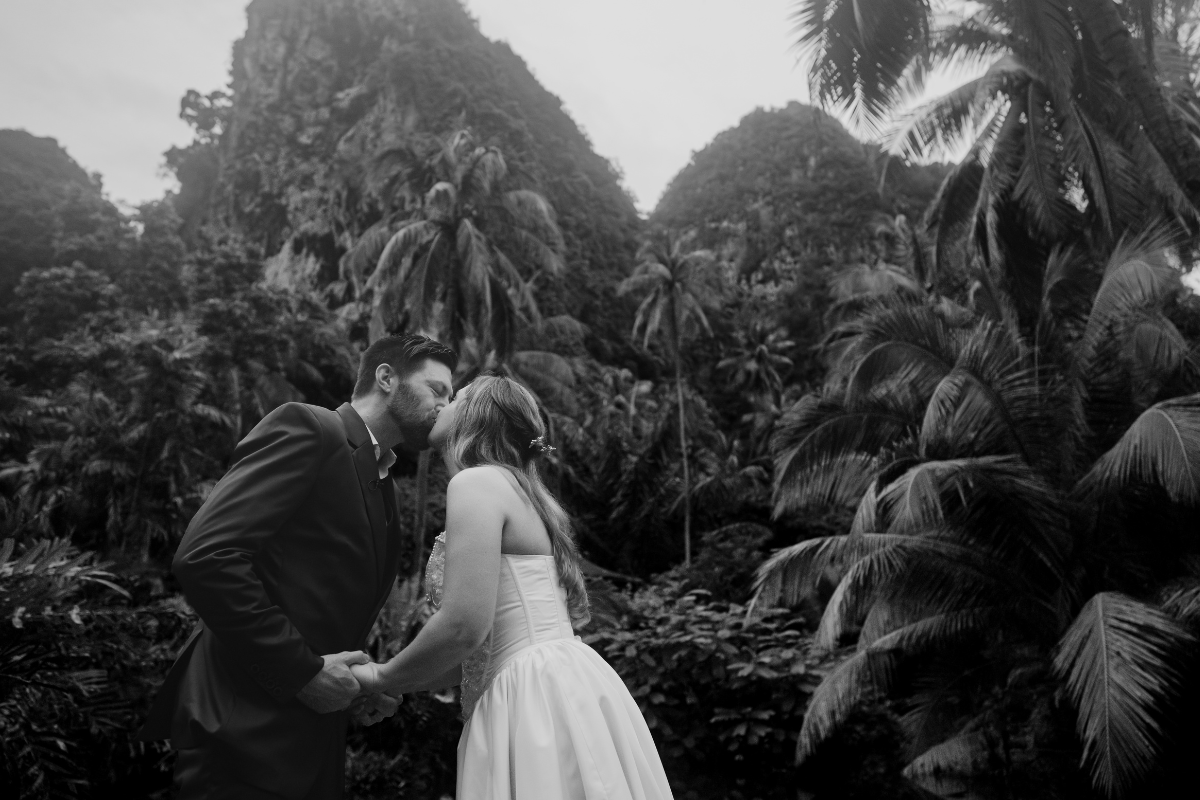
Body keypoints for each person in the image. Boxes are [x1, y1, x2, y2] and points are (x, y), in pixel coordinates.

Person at [139, 333, 458, 800]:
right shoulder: (309, 427)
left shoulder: (382, 479)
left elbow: (321, 600)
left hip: (312, 738)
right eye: (438, 390)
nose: (445, 407)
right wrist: (303, 672)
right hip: (245, 730)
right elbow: (208, 556)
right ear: (386, 378)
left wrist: (354, 686)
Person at [351, 375, 674, 800]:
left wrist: (377, 675)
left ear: (475, 415)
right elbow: (477, 653)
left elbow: (463, 626)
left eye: (456, 396)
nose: (441, 403)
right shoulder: (522, 492)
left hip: (532, 702)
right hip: (556, 685)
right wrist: (397, 683)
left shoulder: (477, 483)